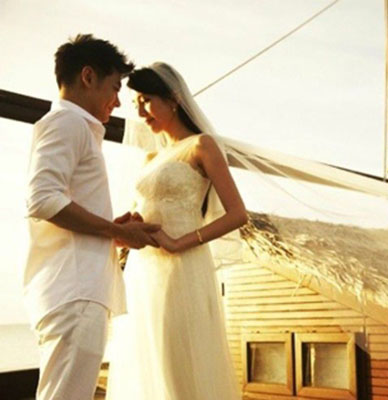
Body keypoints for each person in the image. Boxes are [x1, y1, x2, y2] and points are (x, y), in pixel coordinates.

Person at [24, 34, 160, 400]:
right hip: (76, 288)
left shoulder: (74, 127)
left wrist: (114, 231)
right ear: (88, 76)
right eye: (115, 88)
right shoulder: (67, 122)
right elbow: (42, 199)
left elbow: (55, 201)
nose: (118, 101)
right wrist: (113, 229)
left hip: (78, 288)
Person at [106, 62, 247, 399]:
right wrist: (129, 226)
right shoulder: (150, 158)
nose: (140, 111)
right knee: (146, 362)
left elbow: (238, 214)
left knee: (177, 362)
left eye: (146, 100)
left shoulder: (201, 146)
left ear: (172, 99)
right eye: (136, 102)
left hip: (182, 268)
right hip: (143, 271)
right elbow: (145, 212)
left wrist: (180, 242)